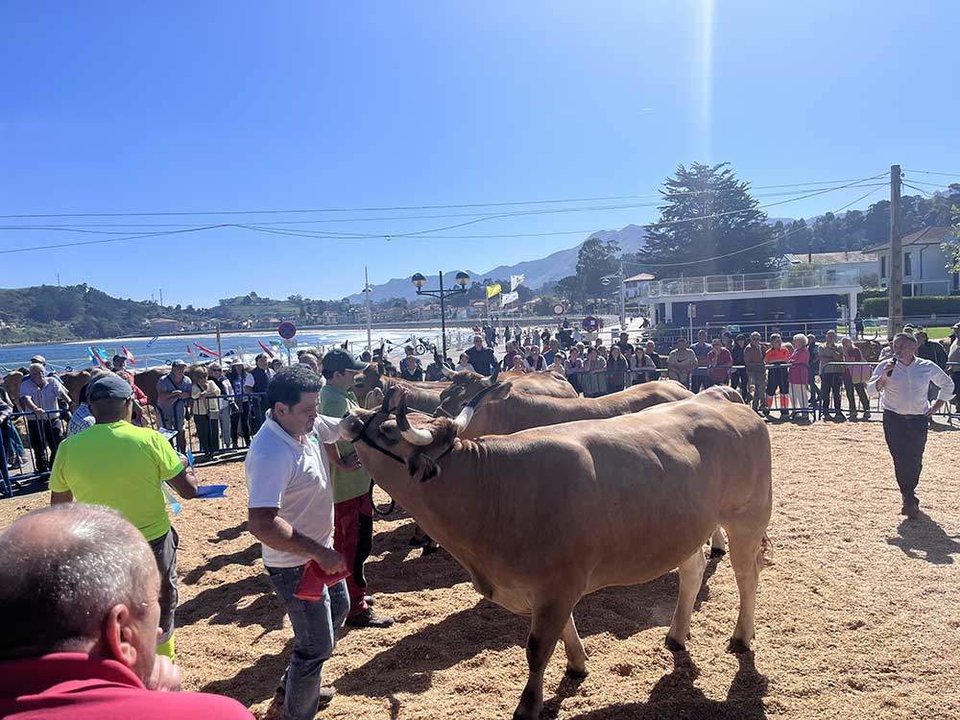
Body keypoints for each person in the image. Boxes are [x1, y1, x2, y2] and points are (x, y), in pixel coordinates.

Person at [0, 504, 253, 720]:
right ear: (119, 633)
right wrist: (160, 703)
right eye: (152, 606)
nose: (158, 631)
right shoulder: (216, 715)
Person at [49, 373, 198, 659]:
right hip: (152, 538)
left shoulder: (68, 449)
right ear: (129, 404)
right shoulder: (151, 439)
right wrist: (184, 467)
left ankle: (120, 659)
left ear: (91, 408)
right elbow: (189, 491)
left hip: (101, 543)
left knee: (112, 604)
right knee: (161, 599)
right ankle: (163, 659)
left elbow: (59, 510)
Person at [246, 367, 352, 719]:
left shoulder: (306, 424)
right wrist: (319, 551)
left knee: (339, 610)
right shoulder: (271, 452)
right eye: (308, 410)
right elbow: (262, 523)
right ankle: (294, 713)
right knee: (315, 645)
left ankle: (293, 688)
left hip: (319, 551)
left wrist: (376, 415)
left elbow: (340, 426)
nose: (315, 416)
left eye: (315, 407)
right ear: (281, 409)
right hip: (294, 563)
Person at [319, 349, 394, 629]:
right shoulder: (332, 400)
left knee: (359, 543)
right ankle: (354, 607)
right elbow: (326, 435)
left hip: (354, 485)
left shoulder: (340, 396)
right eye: (352, 372)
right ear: (337, 375)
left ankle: (352, 594)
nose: (357, 376)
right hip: (346, 488)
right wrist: (339, 461)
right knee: (352, 545)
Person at [867, 332, 953, 518]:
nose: (897, 350)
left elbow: (948, 384)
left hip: (918, 419)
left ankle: (909, 492)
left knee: (915, 458)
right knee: (900, 457)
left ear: (914, 348)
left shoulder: (926, 367)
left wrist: (937, 406)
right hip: (893, 419)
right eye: (895, 346)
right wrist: (883, 378)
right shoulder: (885, 366)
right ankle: (908, 495)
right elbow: (871, 391)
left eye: (902, 346)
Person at [19, 362, 72, 473]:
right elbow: (26, 399)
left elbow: (62, 394)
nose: (41, 375)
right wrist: (35, 409)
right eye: (37, 373)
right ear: (31, 375)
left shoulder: (52, 381)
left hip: (53, 418)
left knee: (57, 443)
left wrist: (70, 403)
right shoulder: (25, 385)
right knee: (38, 446)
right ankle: (42, 470)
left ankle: (54, 468)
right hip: (35, 420)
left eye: (42, 372)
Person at [156, 360, 192, 452]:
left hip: (179, 411)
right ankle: (170, 454)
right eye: (179, 368)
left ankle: (183, 454)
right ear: (173, 369)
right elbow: (160, 395)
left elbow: (189, 393)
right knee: (167, 435)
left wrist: (185, 395)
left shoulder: (187, 380)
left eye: (182, 368)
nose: (181, 370)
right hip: (165, 412)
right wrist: (173, 394)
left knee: (181, 432)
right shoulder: (163, 380)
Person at [190, 366, 221, 456]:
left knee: (214, 431)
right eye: (200, 377)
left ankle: (215, 450)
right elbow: (195, 396)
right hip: (200, 412)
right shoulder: (194, 387)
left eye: (205, 376)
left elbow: (217, 392)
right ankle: (206, 451)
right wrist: (208, 393)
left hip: (213, 410)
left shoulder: (211, 383)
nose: (203, 379)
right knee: (203, 432)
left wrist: (205, 393)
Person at [840, 336, 871, 420]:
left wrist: (845, 353)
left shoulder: (855, 350)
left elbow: (851, 361)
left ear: (850, 342)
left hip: (856, 374)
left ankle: (867, 409)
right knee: (849, 393)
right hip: (847, 374)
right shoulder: (842, 351)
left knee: (860, 391)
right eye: (843, 343)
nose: (845, 344)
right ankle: (853, 410)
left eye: (847, 342)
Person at [244, 354, 275, 436]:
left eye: (265, 360)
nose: (264, 362)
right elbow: (247, 388)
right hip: (259, 403)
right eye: (261, 360)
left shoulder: (271, 371)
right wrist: (256, 395)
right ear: (257, 362)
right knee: (261, 421)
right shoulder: (252, 374)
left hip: (271, 401)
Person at [818, 330, 845, 421]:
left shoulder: (839, 347)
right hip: (825, 372)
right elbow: (822, 358)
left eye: (832, 336)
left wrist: (831, 350)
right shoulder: (821, 346)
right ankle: (825, 411)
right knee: (825, 392)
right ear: (826, 337)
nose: (830, 338)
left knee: (836, 393)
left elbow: (839, 358)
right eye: (829, 336)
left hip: (837, 372)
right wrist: (832, 357)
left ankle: (838, 411)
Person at [207, 363, 235, 449]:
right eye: (214, 370)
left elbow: (231, 391)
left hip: (225, 405)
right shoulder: (208, 381)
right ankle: (216, 447)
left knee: (226, 425)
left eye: (218, 370)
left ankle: (228, 444)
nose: (216, 372)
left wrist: (232, 401)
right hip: (213, 406)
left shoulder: (225, 380)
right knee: (215, 427)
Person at [763, 334, 791, 420]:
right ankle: (767, 409)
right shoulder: (768, 352)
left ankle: (784, 410)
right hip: (773, 374)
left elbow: (788, 360)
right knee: (770, 391)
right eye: (776, 341)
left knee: (784, 391)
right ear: (772, 343)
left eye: (780, 341)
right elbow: (766, 362)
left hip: (783, 373)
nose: (779, 343)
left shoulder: (785, 350)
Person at [0, 385, 27, 469]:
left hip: (4, 420)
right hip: (5, 418)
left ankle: (18, 458)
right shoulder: (2, 389)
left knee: (11, 440)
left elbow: (8, 405)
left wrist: (3, 415)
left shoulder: (1, 390)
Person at [227, 360, 252, 447]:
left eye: (240, 366)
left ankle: (248, 441)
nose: (238, 368)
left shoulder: (246, 376)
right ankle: (234, 442)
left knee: (245, 422)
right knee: (234, 422)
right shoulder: (230, 377)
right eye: (236, 366)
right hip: (235, 401)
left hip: (245, 401)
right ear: (233, 367)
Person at [787, 334, 810, 421]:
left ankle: (804, 412)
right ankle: (795, 410)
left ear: (800, 342)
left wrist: (791, 361)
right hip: (793, 375)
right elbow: (790, 359)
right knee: (793, 394)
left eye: (795, 340)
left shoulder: (804, 351)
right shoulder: (796, 350)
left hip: (800, 375)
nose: (794, 342)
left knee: (801, 395)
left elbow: (799, 361)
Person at [743, 332, 766, 412]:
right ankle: (754, 408)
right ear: (751, 339)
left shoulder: (761, 347)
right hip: (753, 373)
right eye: (754, 339)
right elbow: (747, 362)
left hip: (761, 372)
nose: (756, 340)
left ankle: (760, 407)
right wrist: (760, 364)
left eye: (758, 339)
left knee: (761, 390)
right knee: (756, 391)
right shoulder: (748, 349)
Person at [730, 334, 749, 399]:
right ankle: (732, 399)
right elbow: (733, 359)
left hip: (744, 369)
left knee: (744, 385)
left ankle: (744, 399)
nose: (741, 341)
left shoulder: (747, 348)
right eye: (739, 340)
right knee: (734, 385)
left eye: (742, 340)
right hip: (736, 369)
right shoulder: (734, 349)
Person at [806, 334, 821, 411]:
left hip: (813, 366)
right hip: (809, 366)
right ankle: (814, 396)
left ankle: (817, 395)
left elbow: (817, 357)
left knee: (811, 382)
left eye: (809, 339)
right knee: (810, 382)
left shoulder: (815, 347)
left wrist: (810, 363)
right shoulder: (808, 347)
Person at [949, 322, 960, 415]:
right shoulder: (956, 340)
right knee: (954, 392)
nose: (955, 331)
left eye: (957, 329)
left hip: (959, 371)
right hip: (954, 370)